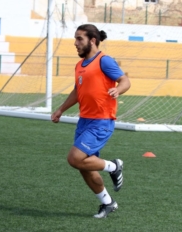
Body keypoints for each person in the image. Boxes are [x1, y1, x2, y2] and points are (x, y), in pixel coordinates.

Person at [51, 24, 131, 218]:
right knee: (83, 165)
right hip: (84, 121)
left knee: (74, 159)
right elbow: (78, 91)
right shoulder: (79, 65)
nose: (75, 43)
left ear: (92, 40)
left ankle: (114, 166)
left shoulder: (104, 61)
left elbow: (125, 81)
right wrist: (61, 109)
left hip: (101, 121)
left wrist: (117, 90)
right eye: (75, 39)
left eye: (79, 39)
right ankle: (108, 203)